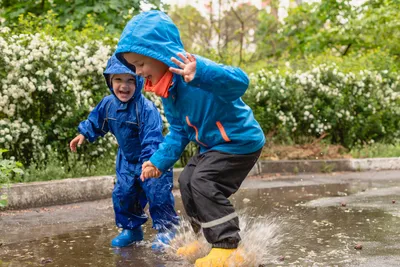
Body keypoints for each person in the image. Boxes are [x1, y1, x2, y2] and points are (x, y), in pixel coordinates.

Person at [115, 10, 265, 266]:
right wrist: (157, 161)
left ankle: (227, 244)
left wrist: (202, 72)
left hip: (240, 142)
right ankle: (205, 238)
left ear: (159, 54)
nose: (138, 72)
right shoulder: (168, 91)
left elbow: (240, 82)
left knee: (203, 181)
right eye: (134, 66)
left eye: (140, 64)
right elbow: (178, 132)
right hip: (214, 146)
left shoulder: (195, 70)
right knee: (187, 179)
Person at [69, 54, 179, 250]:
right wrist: (84, 133)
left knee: (157, 194)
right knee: (123, 194)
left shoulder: (146, 109)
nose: (124, 86)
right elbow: (96, 120)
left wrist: (151, 163)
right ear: (110, 81)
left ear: (138, 80)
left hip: (152, 159)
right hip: (127, 161)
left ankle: (167, 229)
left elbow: (152, 137)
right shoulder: (108, 104)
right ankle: (131, 229)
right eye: (118, 79)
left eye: (130, 80)